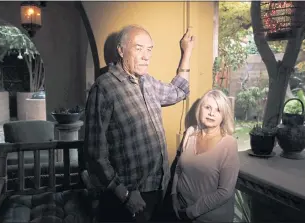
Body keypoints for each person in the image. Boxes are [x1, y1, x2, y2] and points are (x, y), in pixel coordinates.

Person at [84, 24, 195, 222]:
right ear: (120, 50)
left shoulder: (148, 81)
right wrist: (124, 194)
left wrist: (187, 51)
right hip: (128, 198)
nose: (146, 56)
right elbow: (95, 154)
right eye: (138, 48)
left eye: (149, 49)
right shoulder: (104, 88)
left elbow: (178, 91)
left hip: (159, 189)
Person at [171, 89, 239, 223]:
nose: (212, 113)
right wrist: (173, 196)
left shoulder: (229, 145)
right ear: (199, 109)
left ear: (224, 116)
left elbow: (225, 192)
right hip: (181, 212)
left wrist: (191, 212)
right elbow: (179, 169)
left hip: (210, 218)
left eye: (218, 110)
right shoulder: (190, 135)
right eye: (207, 107)